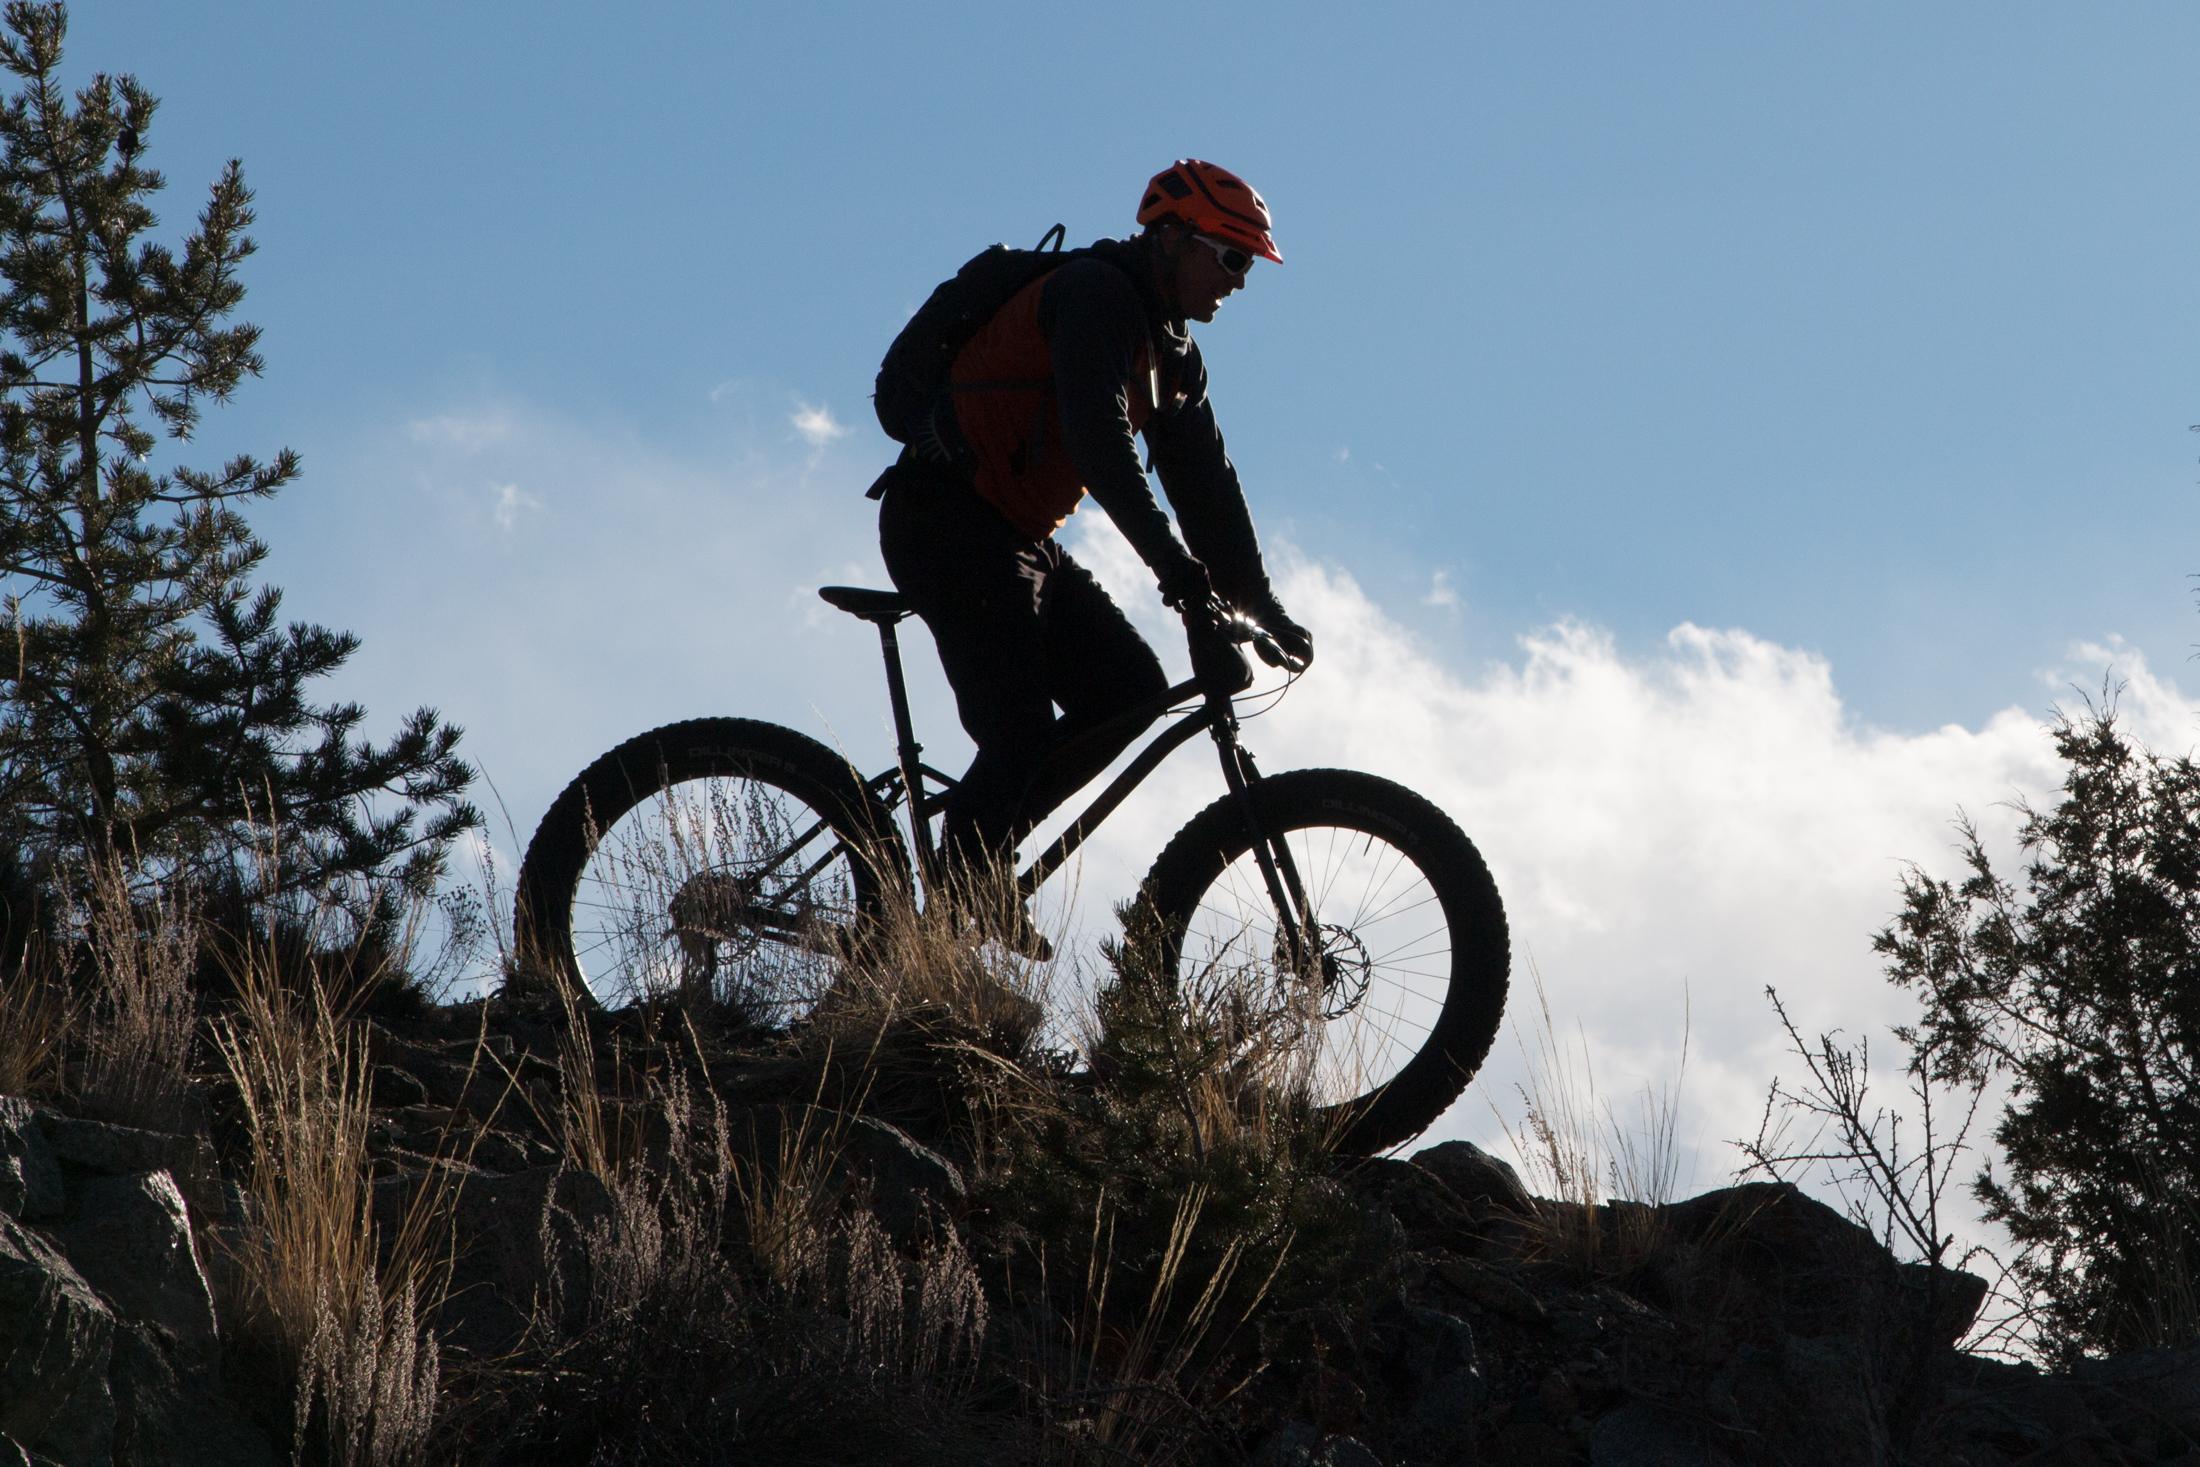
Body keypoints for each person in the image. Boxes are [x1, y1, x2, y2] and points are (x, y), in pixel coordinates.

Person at [871, 159, 1313, 940]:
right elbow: (1100, 441)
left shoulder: (1174, 357)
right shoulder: (1096, 297)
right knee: (1018, 733)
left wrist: (1262, 604)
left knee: (1131, 690)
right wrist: (1179, 581)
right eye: (1233, 257)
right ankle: (943, 905)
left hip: (1013, 536)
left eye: (1250, 265)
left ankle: (967, 876)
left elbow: (1207, 489)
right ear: (1174, 239)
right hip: (944, 517)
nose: (1240, 282)